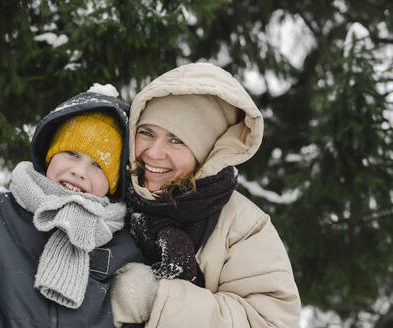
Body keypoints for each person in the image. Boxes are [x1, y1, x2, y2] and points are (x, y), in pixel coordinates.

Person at [0, 91, 143, 327]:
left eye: (98, 165)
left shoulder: (122, 243)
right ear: (50, 153)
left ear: (114, 182)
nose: (79, 171)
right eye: (71, 153)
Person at [110, 63, 301, 327]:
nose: (153, 152)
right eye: (147, 132)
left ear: (205, 153)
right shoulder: (105, 191)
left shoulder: (244, 227)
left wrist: (154, 300)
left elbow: (270, 322)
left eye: (176, 140)